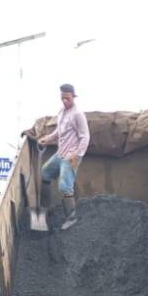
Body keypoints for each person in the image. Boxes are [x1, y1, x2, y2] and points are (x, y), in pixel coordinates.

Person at [37, 83, 90, 230]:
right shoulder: (62, 112)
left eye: (67, 98)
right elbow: (59, 132)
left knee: (65, 186)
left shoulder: (78, 114)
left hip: (71, 156)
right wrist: (47, 138)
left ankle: (71, 218)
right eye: (62, 98)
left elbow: (85, 137)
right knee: (45, 174)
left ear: (73, 96)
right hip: (60, 154)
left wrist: (77, 155)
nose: (65, 101)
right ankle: (43, 213)